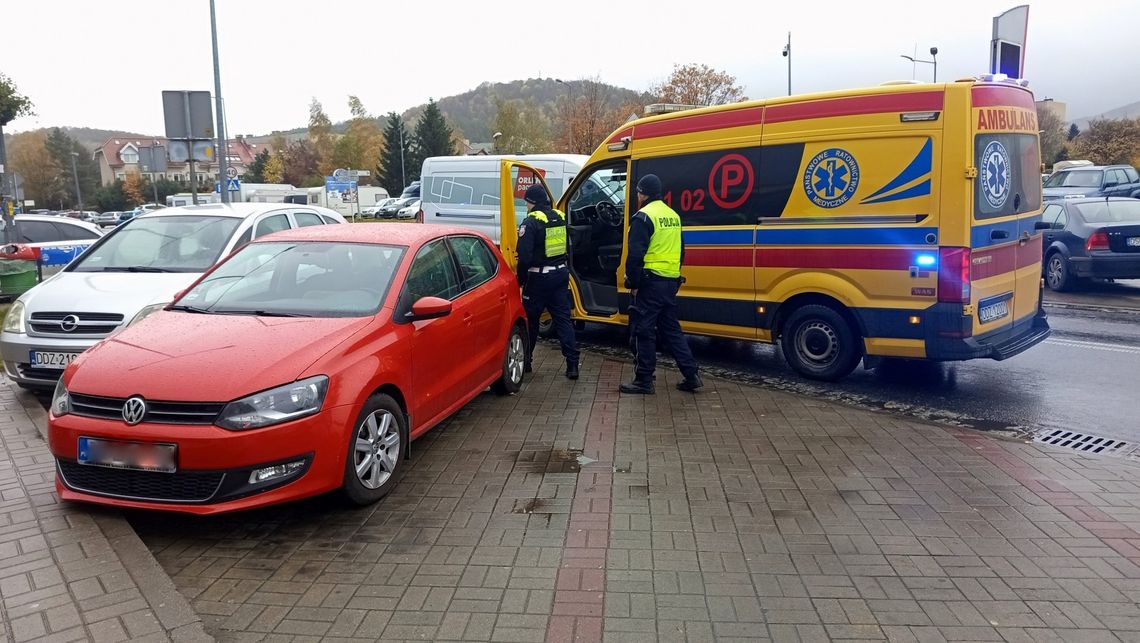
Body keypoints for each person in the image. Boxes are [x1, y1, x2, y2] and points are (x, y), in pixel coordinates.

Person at [620, 174, 702, 394]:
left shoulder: (643, 217)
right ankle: (691, 374)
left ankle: (643, 380)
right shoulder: (673, 215)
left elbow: (635, 255)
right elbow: (681, 250)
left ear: (642, 194)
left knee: (643, 331)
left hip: (649, 284)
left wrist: (633, 282)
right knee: (672, 331)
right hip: (670, 282)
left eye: (638, 192)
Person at [517, 183, 580, 379]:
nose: (526, 206)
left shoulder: (531, 222)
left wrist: (521, 280)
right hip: (560, 274)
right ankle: (572, 365)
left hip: (538, 278)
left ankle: (526, 361)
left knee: (531, 322)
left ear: (532, 202)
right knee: (563, 320)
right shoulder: (559, 217)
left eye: (527, 202)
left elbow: (524, 257)